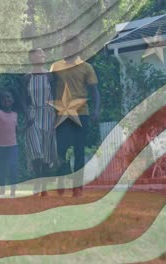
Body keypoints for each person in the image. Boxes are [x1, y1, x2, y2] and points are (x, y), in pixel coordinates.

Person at [50, 36, 101, 197]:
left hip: (81, 113)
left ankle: (77, 188)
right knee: (60, 150)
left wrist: (96, 110)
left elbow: (95, 92)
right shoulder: (56, 66)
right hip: (61, 114)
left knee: (79, 150)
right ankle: (60, 183)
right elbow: (50, 88)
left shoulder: (87, 67)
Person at [20, 47, 59, 197]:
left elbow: (56, 95)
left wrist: (57, 113)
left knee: (46, 151)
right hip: (33, 114)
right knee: (35, 149)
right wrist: (26, 113)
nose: (42, 55)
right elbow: (23, 99)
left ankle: (43, 184)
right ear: (31, 58)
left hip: (49, 114)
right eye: (38, 54)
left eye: (43, 53)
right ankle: (37, 180)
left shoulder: (50, 76)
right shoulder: (26, 78)